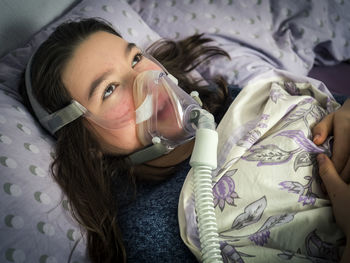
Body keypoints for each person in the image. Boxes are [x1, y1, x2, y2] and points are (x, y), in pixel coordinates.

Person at [20, 18, 350, 262]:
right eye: (109, 89)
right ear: (87, 145)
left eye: (135, 58)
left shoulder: (241, 100)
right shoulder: (152, 234)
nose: (144, 79)